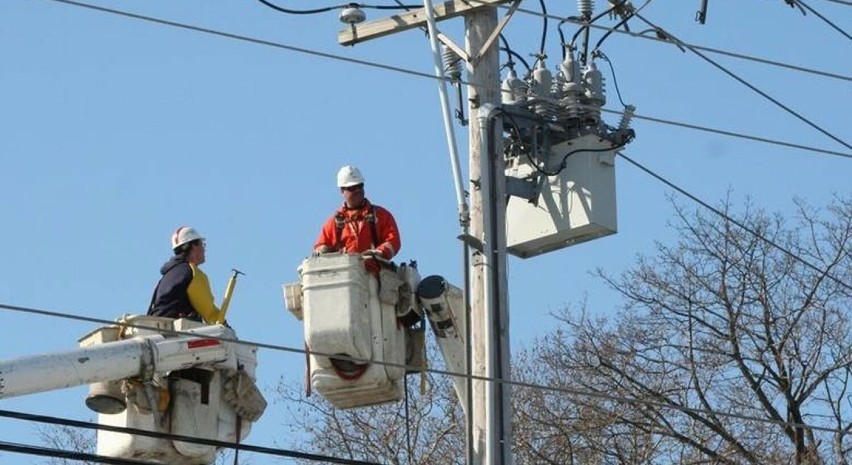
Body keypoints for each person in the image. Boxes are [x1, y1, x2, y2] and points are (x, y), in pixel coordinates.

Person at [314, 165, 401, 273]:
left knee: (371, 285)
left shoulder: (381, 215)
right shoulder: (333, 223)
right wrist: (323, 251)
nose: (357, 190)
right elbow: (320, 248)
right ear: (342, 190)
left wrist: (380, 252)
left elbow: (393, 240)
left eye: (360, 186)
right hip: (344, 276)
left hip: (374, 272)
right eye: (352, 188)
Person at [148, 226, 223, 324]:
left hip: (156, 326)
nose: (204, 249)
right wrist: (224, 326)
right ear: (193, 246)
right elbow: (209, 311)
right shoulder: (191, 272)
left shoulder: (166, 276)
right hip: (177, 331)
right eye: (202, 245)